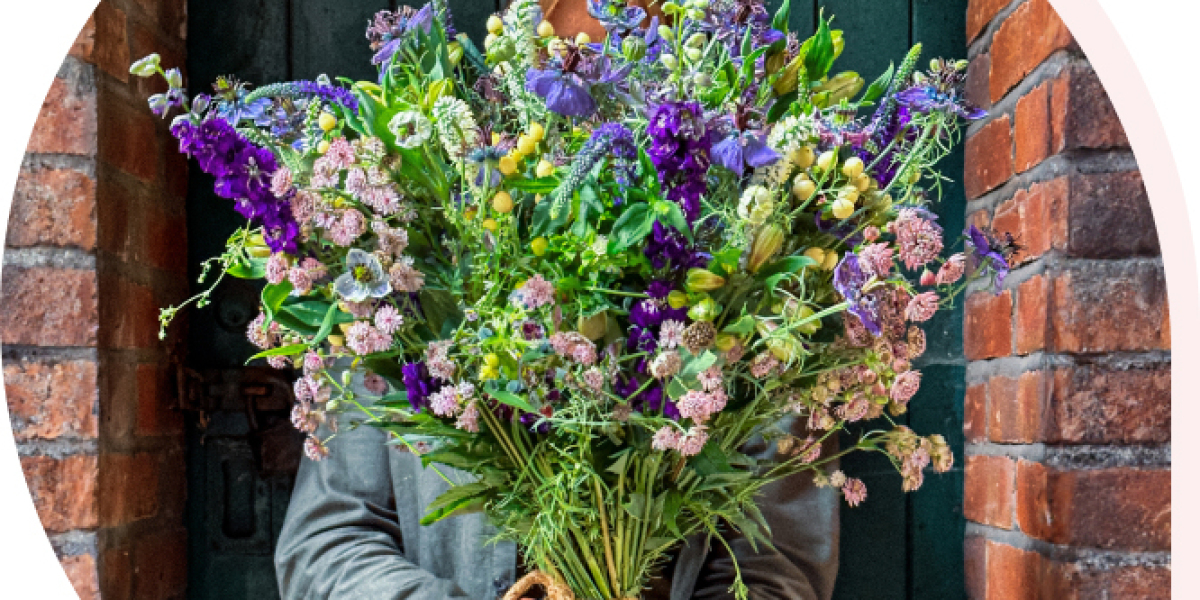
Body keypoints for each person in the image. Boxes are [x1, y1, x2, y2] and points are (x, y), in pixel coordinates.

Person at [274, 4, 839, 598]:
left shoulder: (747, 281)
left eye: (631, 58)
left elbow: (781, 566)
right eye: (575, 55)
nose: (592, 92)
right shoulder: (408, 260)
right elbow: (327, 544)